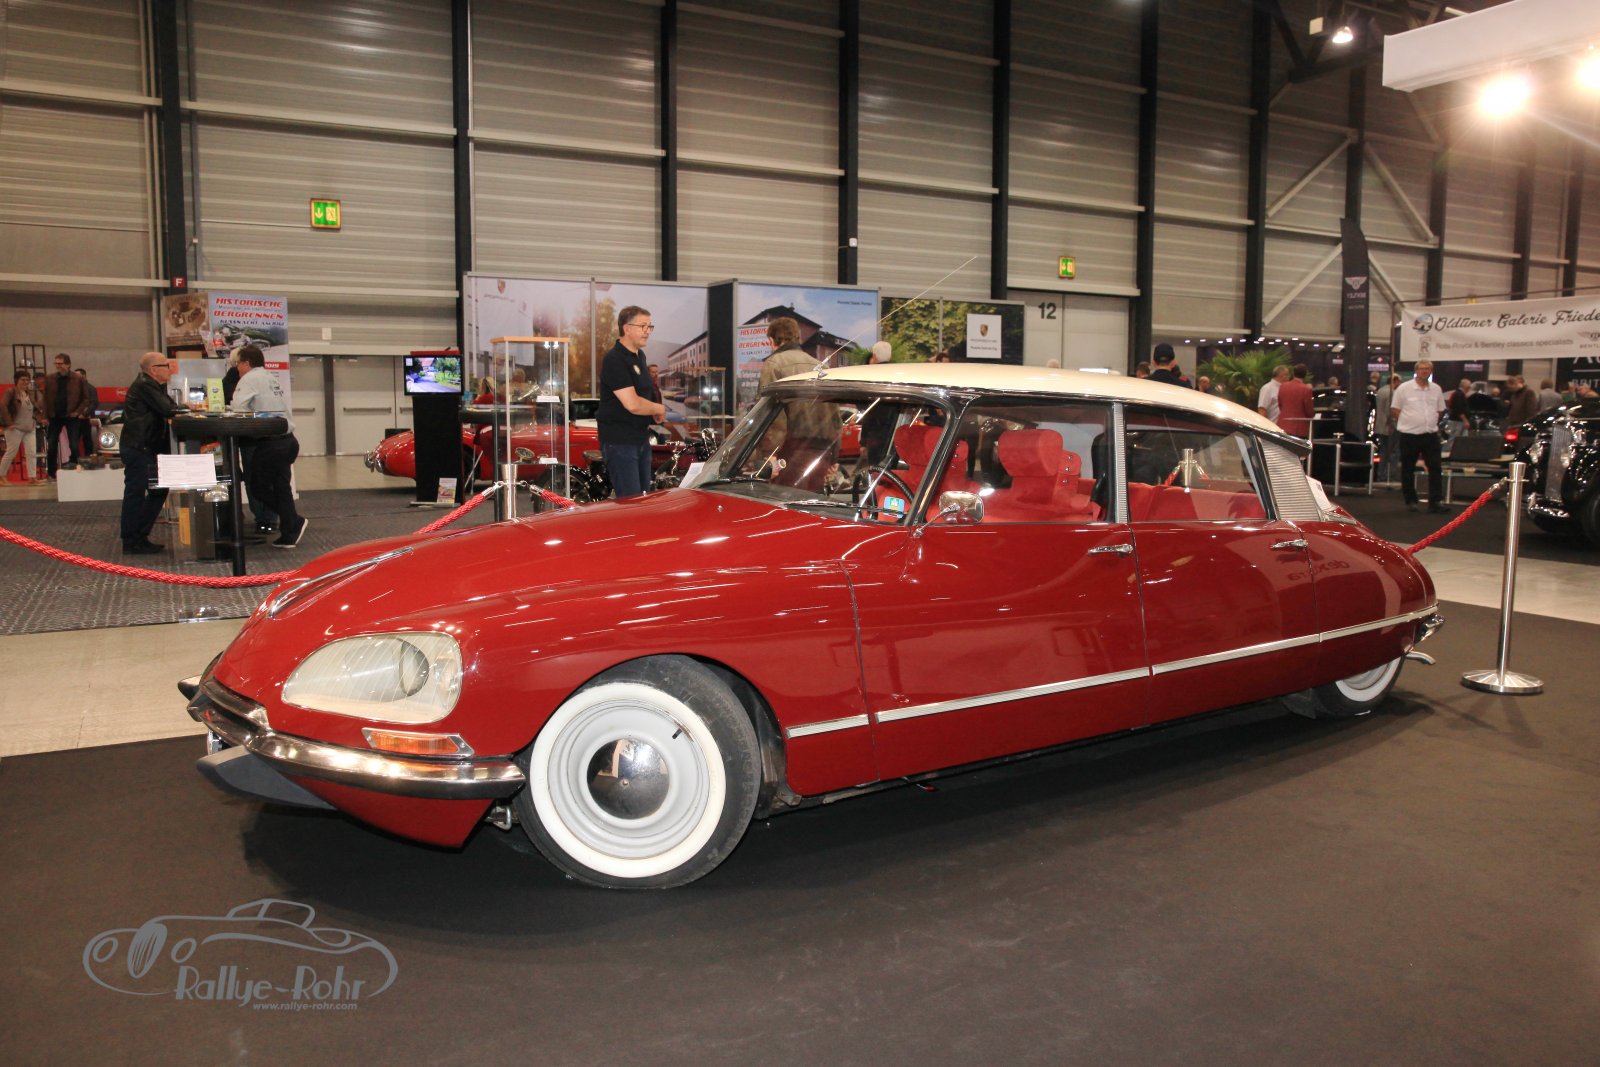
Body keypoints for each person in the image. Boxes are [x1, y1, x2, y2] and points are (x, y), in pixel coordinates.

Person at [229, 345, 308, 548]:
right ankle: (290, 532)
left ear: (246, 363)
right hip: (287, 440)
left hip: (271, 442)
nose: (236, 368)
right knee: (281, 488)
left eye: (238, 364)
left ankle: (293, 520)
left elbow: (238, 408)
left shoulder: (249, 379)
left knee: (257, 487)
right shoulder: (269, 377)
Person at [757, 317, 836, 490]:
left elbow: (770, 413)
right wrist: (834, 456)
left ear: (772, 340)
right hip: (821, 453)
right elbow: (834, 414)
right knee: (813, 501)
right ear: (798, 338)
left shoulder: (773, 364)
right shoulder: (821, 367)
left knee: (784, 501)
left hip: (789, 452)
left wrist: (769, 453)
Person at [119, 352, 187, 554]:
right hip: (140, 448)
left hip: (147, 448)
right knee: (136, 493)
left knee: (157, 491)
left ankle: (138, 535)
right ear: (153, 370)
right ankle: (132, 540)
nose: (170, 368)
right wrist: (186, 409)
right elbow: (168, 408)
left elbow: (169, 407)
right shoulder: (145, 385)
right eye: (166, 365)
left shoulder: (153, 386)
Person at [597, 305, 667, 498]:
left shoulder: (640, 356)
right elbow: (633, 404)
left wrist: (653, 412)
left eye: (650, 326)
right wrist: (658, 408)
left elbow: (644, 395)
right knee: (631, 502)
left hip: (640, 438)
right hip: (620, 442)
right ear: (626, 329)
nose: (647, 331)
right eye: (642, 326)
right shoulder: (614, 359)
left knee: (643, 499)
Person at [1390, 360, 1450, 513]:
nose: (1424, 371)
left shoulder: (1436, 389)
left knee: (1435, 467)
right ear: (1416, 371)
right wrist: (1409, 421)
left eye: (1427, 369)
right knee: (1408, 468)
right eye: (1422, 368)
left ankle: (1436, 501)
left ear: (1431, 371)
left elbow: (1440, 410)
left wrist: (1429, 421)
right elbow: (1395, 410)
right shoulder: (1404, 388)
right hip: (1409, 435)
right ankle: (1411, 500)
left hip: (1430, 434)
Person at [43, 352, 90, 476]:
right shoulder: (49, 378)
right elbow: (45, 398)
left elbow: (86, 398)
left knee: (74, 444)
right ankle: (52, 472)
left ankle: (75, 467)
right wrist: (44, 416)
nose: (58, 366)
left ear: (68, 365)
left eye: (61, 363)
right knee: (51, 445)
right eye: (56, 363)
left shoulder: (78, 379)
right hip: (54, 416)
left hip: (71, 417)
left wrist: (78, 411)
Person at [0, 371, 43, 485]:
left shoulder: (29, 394)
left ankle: (32, 477)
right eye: (22, 380)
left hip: (30, 427)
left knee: (32, 453)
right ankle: (1, 476)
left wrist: (41, 419)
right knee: (11, 452)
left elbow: (35, 409)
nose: (25, 382)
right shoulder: (11, 392)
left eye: (27, 380)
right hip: (15, 427)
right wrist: (9, 422)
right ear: (16, 380)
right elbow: (3, 406)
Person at [1372, 372, 1399, 481]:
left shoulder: (1380, 391)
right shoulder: (1393, 393)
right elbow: (1390, 410)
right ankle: (1390, 475)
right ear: (1395, 381)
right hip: (1390, 426)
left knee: (1383, 451)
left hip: (1380, 425)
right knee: (1394, 452)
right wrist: (1394, 423)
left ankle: (1380, 474)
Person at [1276, 365, 1315, 438]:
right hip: (1299, 429)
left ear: (1293, 373)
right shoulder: (1306, 389)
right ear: (1305, 375)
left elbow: (1280, 404)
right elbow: (1309, 410)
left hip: (1282, 425)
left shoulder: (1283, 386)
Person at [72, 367, 99, 463]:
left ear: (84, 376)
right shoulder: (73, 388)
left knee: (87, 440)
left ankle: (89, 459)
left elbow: (94, 403)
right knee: (74, 440)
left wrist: (85, 414)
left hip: (86, 418)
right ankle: (75, 460)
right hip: (74, 419)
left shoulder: (90, 388)